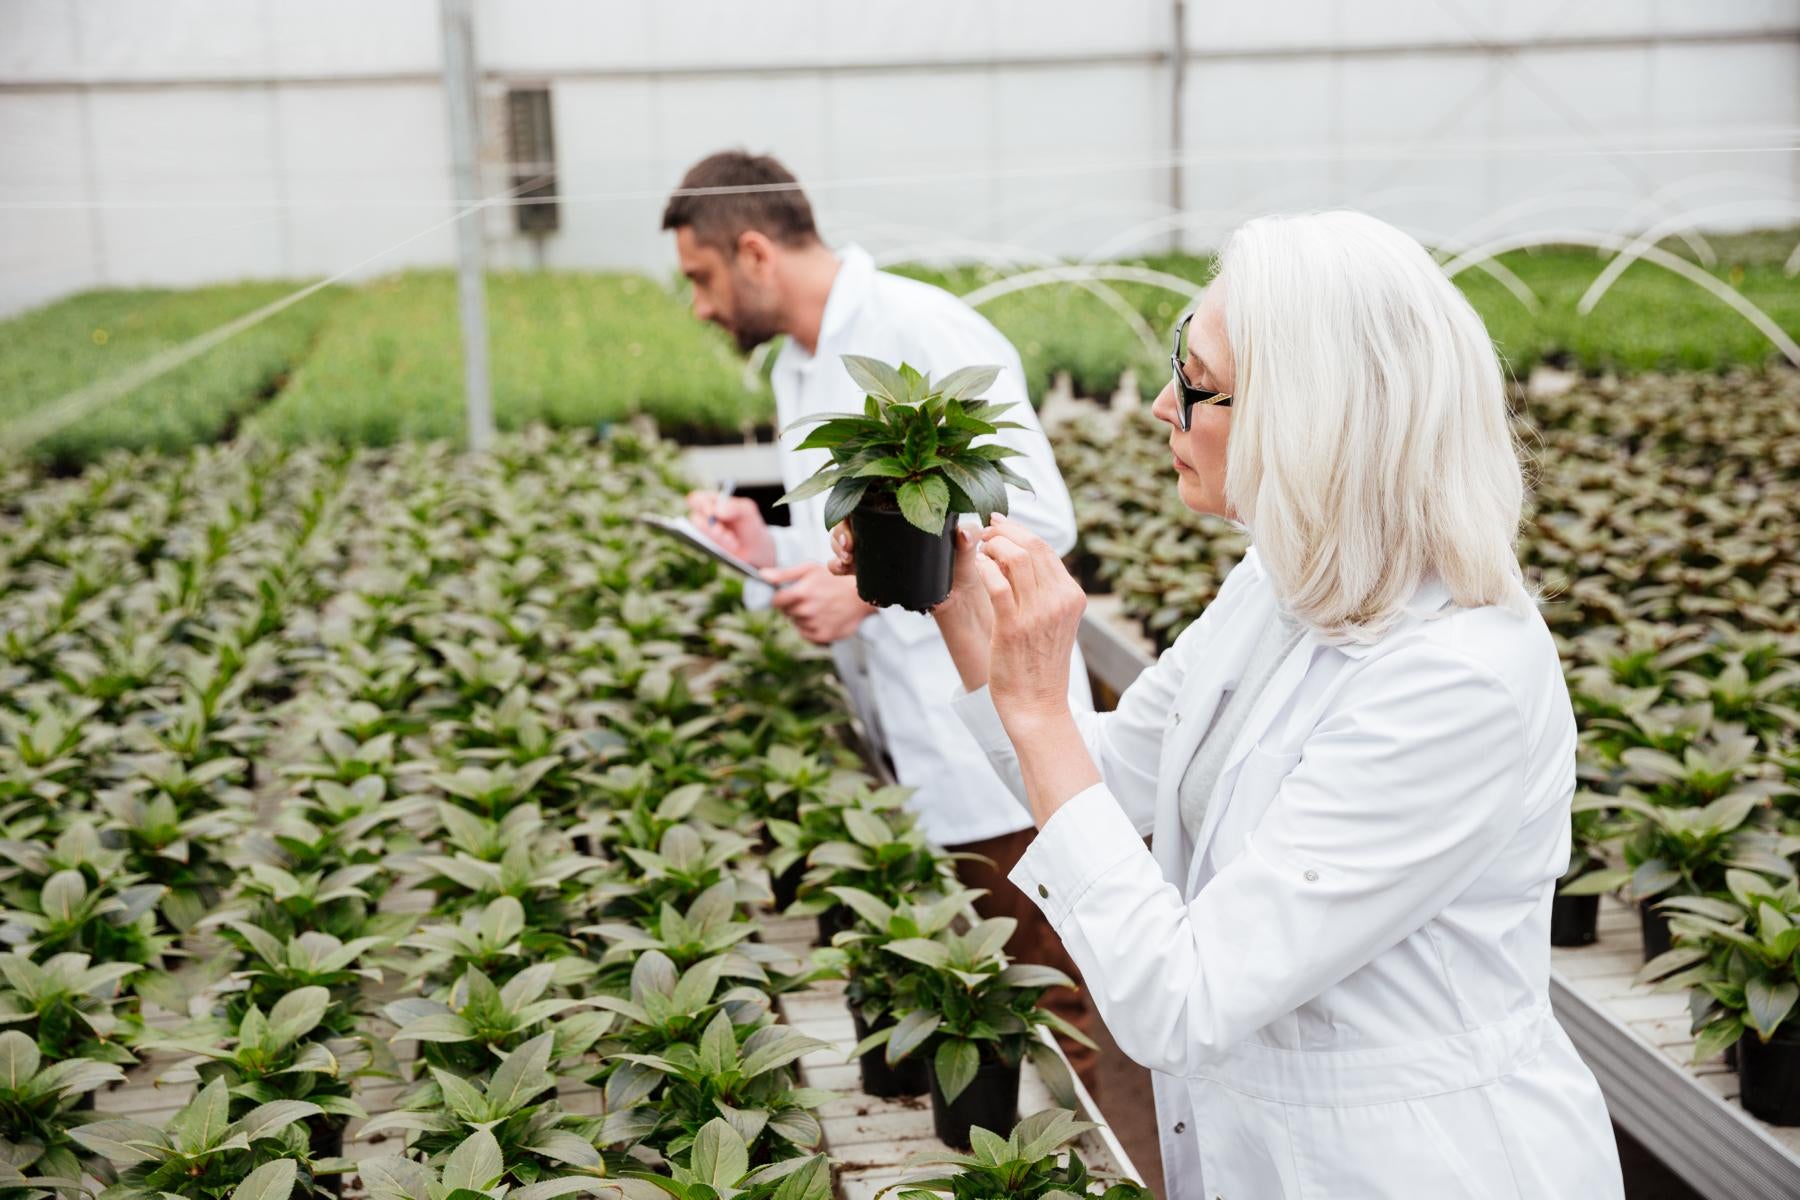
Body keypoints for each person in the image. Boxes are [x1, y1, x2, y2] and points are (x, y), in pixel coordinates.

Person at [831, 211, 1624, 1198]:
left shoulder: (1459, 682)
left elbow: (1183, 997)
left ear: (1316, 416)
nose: (1164, 405)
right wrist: (959, 604)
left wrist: (1039, 705)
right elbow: (1119, 781)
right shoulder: (1279, 583)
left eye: (1199, 383)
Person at [662, 150, 1102, 1090]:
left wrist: (866, 598)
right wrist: (767, 545)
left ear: (752, 251)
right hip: (911, 747)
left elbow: (1039, 522)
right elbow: (860, 548)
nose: (698, 306)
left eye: (700, 277)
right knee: (975, 1008)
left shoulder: (919, 328)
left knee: (1049, 998)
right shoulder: (795, 368)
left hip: (997, 751)